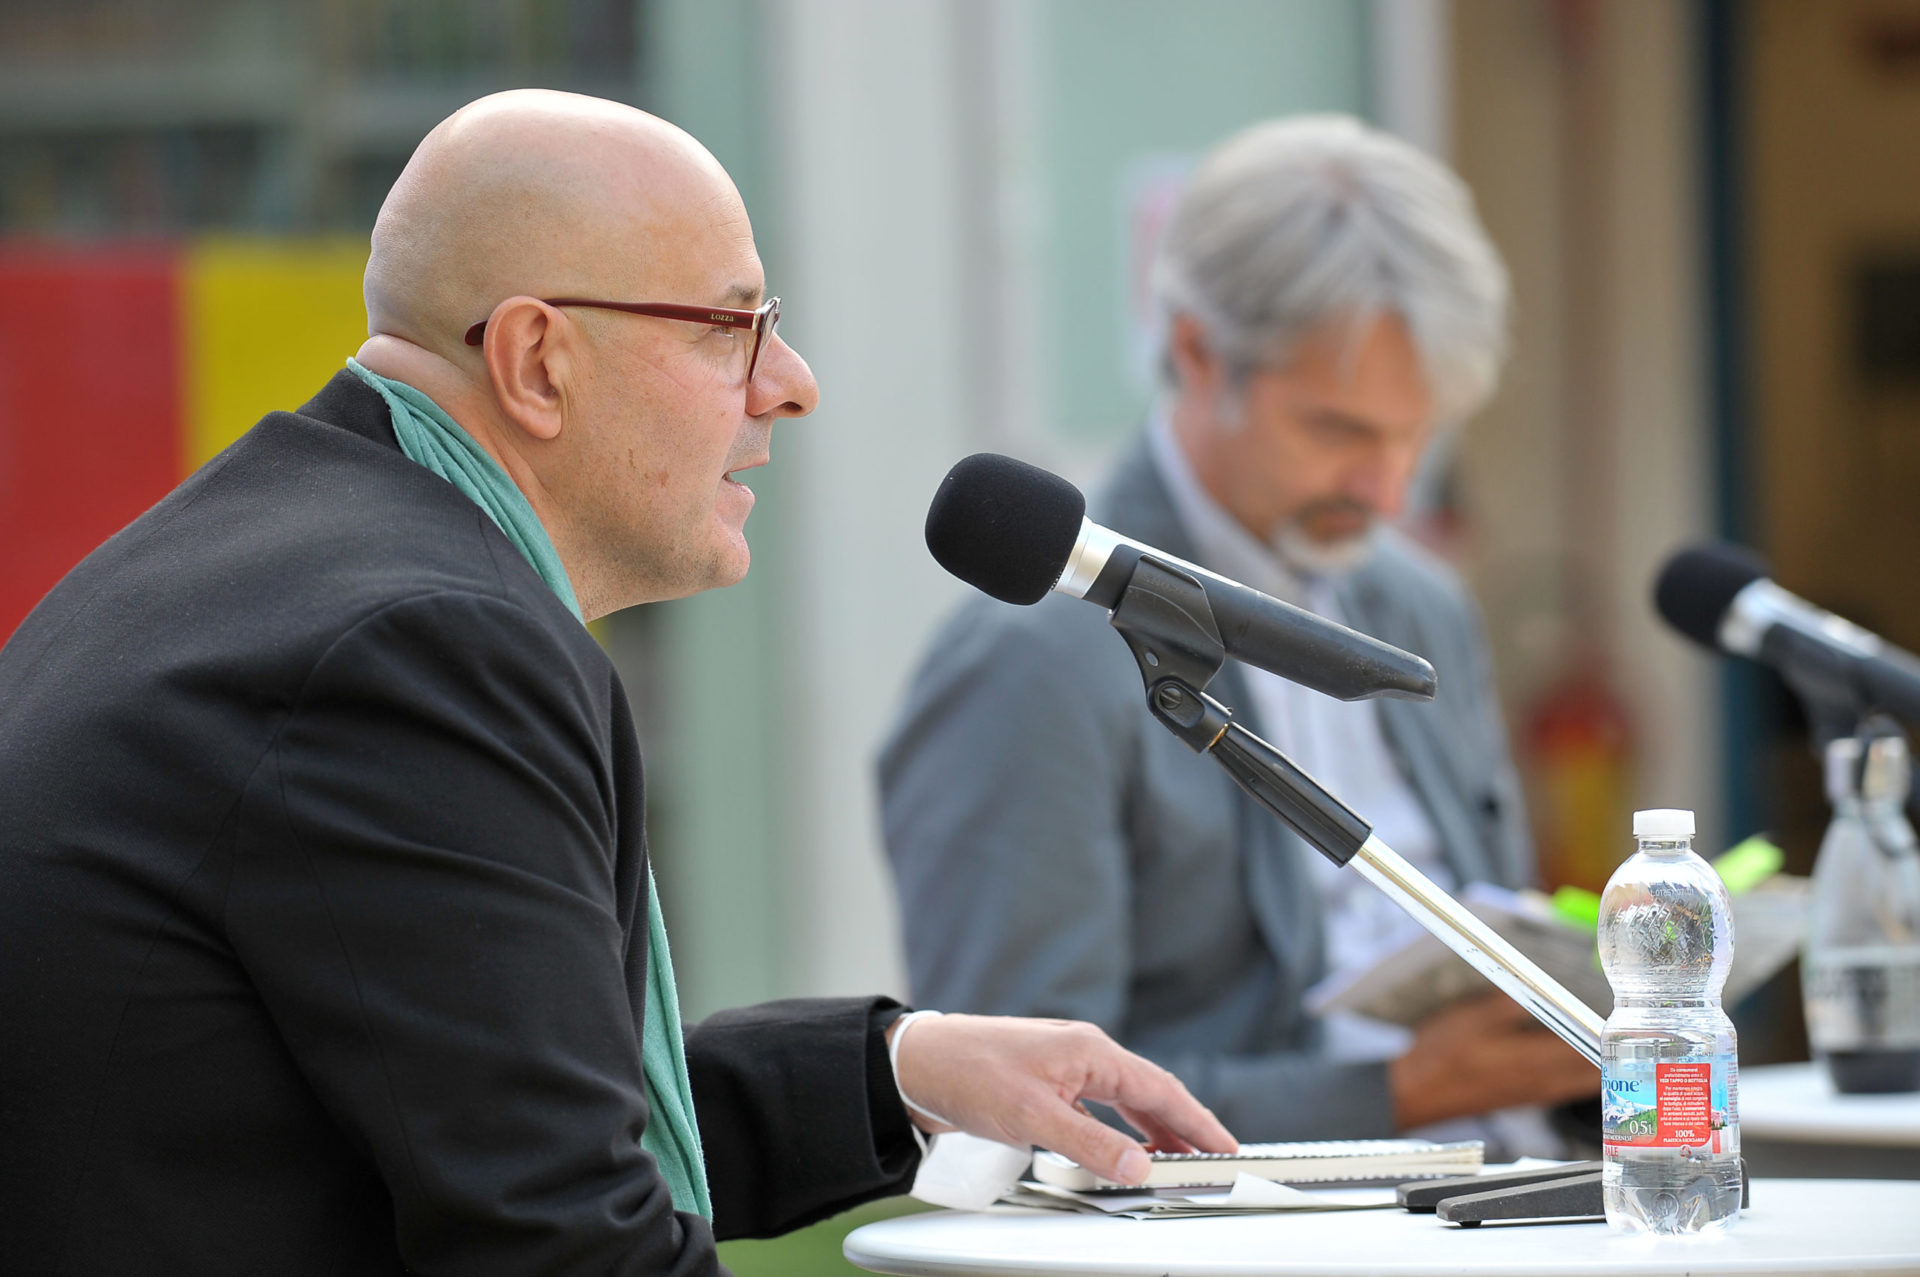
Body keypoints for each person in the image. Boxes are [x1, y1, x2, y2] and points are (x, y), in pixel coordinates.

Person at [0, 90, 1235, 1277]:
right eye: (732, 327)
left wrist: (895, 1066)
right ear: (540, 360)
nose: (791, 382)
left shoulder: (290, 556)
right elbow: (561, 1235)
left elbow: (481, 1086)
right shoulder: (419, 643)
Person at [881, 116, 1598, 1151]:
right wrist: (1395, 1092)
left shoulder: (1420, 603)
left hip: (1531, 1194)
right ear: (1194, 353)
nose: (1388, 486)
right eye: (1339, 429)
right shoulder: (1029, 660)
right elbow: (1012, 1112)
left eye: (1418, 434)